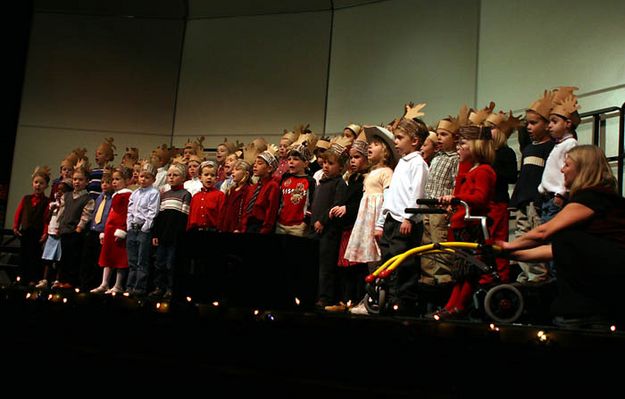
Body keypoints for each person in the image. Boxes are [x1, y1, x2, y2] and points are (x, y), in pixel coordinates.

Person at [499, 145, 625, 326]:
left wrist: (509, 245)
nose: (562, 170)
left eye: (567, 165)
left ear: (582, 168)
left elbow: (544, 232)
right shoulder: (593, 199)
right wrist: (511, 254)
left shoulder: (592, 197)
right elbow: (556, 249)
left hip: (603, 286)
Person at [430, 125, 496, 319]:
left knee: (468, 270)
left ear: (476, 146)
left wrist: (456, 199)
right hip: (461, 225)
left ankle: (458, 305)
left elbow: (480, 198)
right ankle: (452, 304)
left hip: (472, 226)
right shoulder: (470, 170)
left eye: (463, 144)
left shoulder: (483, 171)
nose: (458, 148)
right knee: (459, 271)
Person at [91, 166, 133, 294]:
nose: (114, 182)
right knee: (107, 255)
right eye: (113, 179)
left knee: (119, 257)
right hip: (109, 228)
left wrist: (122, 229)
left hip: (118, 229)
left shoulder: (127, 194)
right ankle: (104, 283)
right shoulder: (115, 194)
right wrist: (104, 230)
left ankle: (118, 284)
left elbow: (125, 213)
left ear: (126, 181)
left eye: (118, 179)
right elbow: (110, 213)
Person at [125, 162, 160, 296]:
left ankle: (139, 288)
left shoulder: (153, 193)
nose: (143, 179)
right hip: (132, 229)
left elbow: (152, 212)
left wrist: (145, 227)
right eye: (141, 176)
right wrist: (129, 225)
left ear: (153, 180)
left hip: (143, 230)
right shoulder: (135, 193)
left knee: (142, 260)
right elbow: (130, 210)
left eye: (147, 177)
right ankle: (129, 286)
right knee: (132, 260)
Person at [13, 166, 51, 284]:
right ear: (32, 184)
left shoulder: (46, 201)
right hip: (25, 231)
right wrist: (15, 226)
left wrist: (45, 232)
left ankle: (33, 279)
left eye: (41, 183)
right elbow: (18, 213)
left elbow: (46, 219)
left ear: (46, 186)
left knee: (35, 256)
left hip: (37, 232)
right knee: (23, 255)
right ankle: (21, 278)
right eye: (36, 182)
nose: (38, 185)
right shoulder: (26, 199)